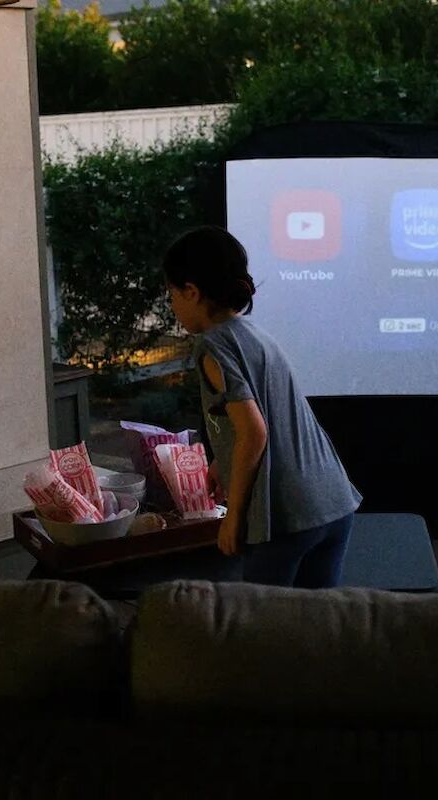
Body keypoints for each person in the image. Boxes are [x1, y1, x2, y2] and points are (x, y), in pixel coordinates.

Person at [163, 225, 362, 588]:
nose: (173, 306)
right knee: (316, 628)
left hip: (284, 517)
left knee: (262, 630)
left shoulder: (212, 346)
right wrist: (220, 462)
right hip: (332, 502)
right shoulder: (255, 334)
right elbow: (259, 421)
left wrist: (234, 517)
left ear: (191, 292)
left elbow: (254, 433)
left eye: (172, 295)